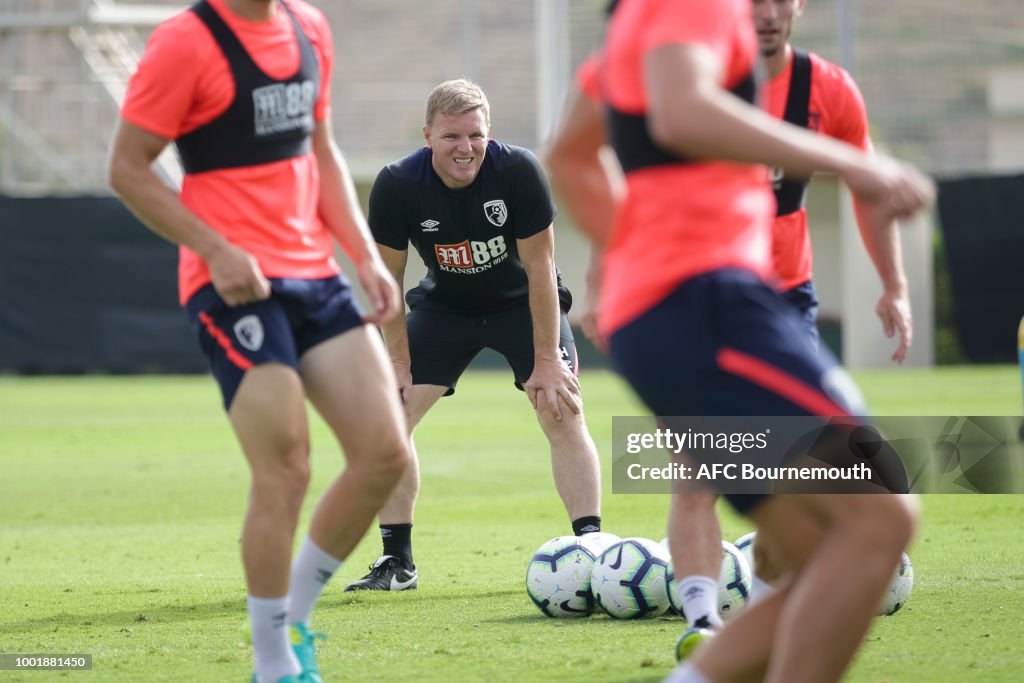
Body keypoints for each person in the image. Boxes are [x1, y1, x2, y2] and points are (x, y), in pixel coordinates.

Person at [545, 0, 931, 681]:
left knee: (816, 562)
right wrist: (852, 162)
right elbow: (682, 111)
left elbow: (569, 152)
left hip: (692, 309)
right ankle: (698, 612)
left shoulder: (637, 16)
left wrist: (634, 251)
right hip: (707, 307)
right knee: (880, 520)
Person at [108, 1, 411, 681]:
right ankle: (273, 663)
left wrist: (361, 254)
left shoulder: (311, 26)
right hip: (233, 285)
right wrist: (215, 250)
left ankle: (294, 620)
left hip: (315, 275)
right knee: (287, 464)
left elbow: (321, 148)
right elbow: (127, 168)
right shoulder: (185, 42)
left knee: (384, 455)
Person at [343, 78, 603, 592]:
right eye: (452, 137)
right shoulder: (397, 185)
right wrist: (397, 362)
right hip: (444, 308)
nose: (466, 149)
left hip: (521, 306)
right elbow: (385, 282)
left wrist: (548, 358)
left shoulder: (520, 170)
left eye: (476, 136)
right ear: (428, 137)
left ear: (489, 134)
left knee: (561, 407)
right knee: (389, 418)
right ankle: (398, 563)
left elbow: (541, 269)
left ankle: (590, 549)